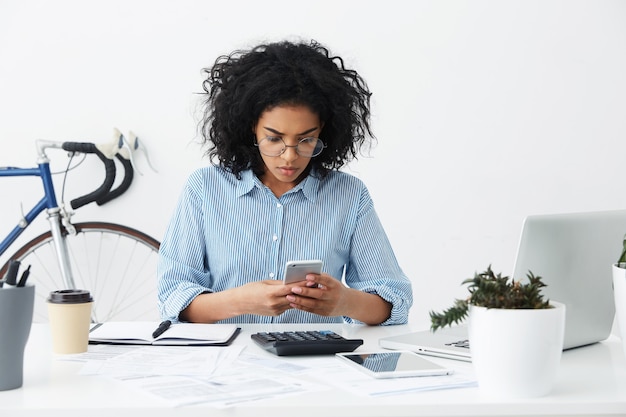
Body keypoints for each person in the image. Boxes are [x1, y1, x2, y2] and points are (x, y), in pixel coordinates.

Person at [157, 39, 413, 325]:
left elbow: (393, 303)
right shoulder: (204, 189)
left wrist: (345, 302)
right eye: (274, 138)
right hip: (227, 363)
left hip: (318, 364)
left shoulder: (349, 195)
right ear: (251, 127)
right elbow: (172, 299)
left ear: (324, 131)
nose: (289, 156)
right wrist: (240, 301)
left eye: (306, 139)